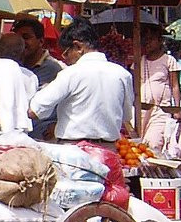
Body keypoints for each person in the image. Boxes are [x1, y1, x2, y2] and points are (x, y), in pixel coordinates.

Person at [28, 18, 135, 150]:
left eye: (66, 53)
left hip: (74, 152)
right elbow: (125, 115)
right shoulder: (122, 75)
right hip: (108, 151)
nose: (65, 58)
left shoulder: (71, 74)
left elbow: (35, 109)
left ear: (78, 47)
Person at [0, 31, 39, 135]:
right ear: (22, 53)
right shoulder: (30, 77)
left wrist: (1, 125)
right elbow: (31, 110)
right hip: (20, 135)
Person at [13, 17, 65, 140]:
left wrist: (57, 126)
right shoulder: (13, 67)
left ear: (41, 41)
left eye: (26, 37)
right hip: (17, 136)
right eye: (18, 38)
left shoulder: (54, 70)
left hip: (44, 138)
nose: (21, 43)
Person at [139, 24, 181, 152]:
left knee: (153, 144)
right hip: (140, 110)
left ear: (160, 41)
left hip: (160, 110)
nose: (147, 43)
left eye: (151, 39)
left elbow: (175, 86)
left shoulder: (168, 60)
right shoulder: (139, 61)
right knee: (139, 144)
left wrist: (177, 109)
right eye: (145, 39)